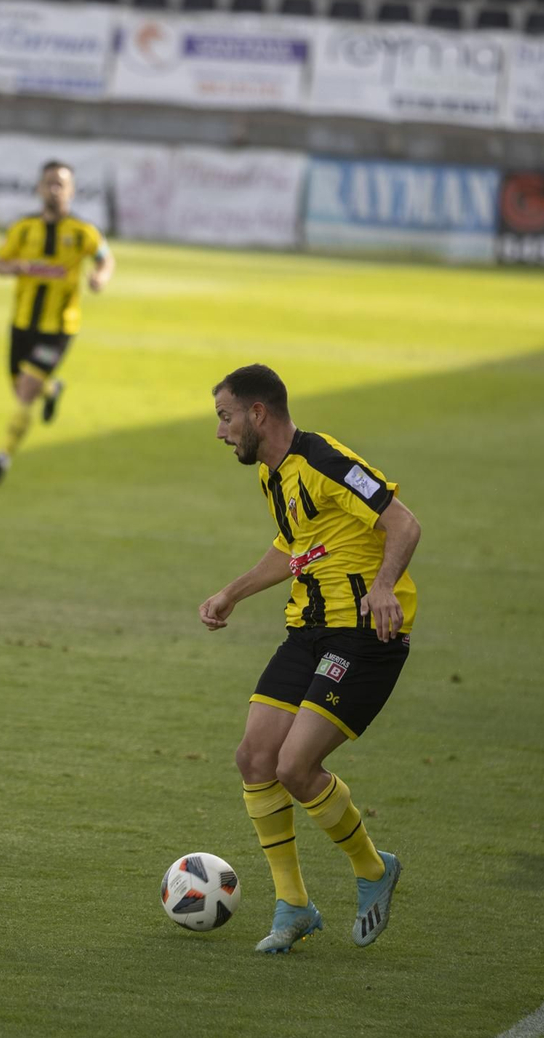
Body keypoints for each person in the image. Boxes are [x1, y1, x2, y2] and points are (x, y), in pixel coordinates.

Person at [199, 364, 421, 953]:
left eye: (225, 417)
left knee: (296, 766)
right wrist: (232, 593)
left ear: (257, 413)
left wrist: (383, 586)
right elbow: (293, 545)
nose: (220, 432)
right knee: (255, 757)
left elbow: (403, 523)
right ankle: (294, 905)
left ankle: (374, 869)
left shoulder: (325, 460)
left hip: (364, 634)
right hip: (309, 631)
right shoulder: (273, 476)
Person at [0, 161, 113, 484]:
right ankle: (52, 387)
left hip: (58, 327)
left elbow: (105, 258)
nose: (55, 190)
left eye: (61, 184)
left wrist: (100, 277)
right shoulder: (23, 228)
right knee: (20, 387)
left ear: (71, 191)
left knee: (25, 393)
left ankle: (3, 454)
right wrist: (13, 267)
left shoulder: (82, 231)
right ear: (39, 188)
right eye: (49, 183)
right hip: (22, 323)